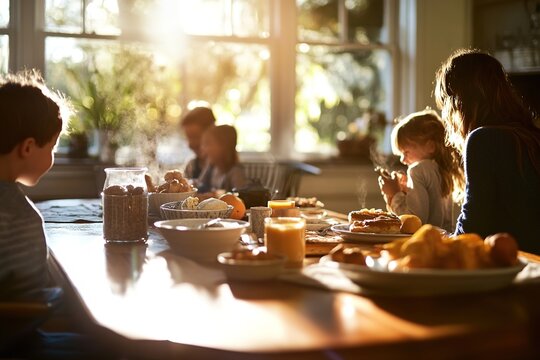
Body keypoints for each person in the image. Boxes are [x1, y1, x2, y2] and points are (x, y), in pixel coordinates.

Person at [0, 71, 119, 359]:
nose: (52, 156)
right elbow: (30, 305)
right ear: (28, 147)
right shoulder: (17, 216)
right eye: (52, 147)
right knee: (117, 348)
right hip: (18, 344)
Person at [434, 48, 540, 254]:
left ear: (458, 101)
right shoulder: (530, 136)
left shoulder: (484, 139)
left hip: (515, 263)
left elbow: (474, 225)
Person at [378, 109, 464, 231]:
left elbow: (414, 221)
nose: (402, 159)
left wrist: (394, 194)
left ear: (430, 146)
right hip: (443, 239)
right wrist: (405, 192)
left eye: (405, 152)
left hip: (423, 242)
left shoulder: (417, 170)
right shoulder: (442, 170)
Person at [196, 124, 246, 196]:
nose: (203, 149)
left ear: (223, 147)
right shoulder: (211, 167)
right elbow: (199, 186)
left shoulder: (235, 171)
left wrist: (216, 195)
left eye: (208, 144)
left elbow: (241, 196)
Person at [179, 106, 216, 180]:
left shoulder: (225, 169)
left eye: (195, 137)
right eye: (188, 138)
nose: (190, 144)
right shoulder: (191, 167)